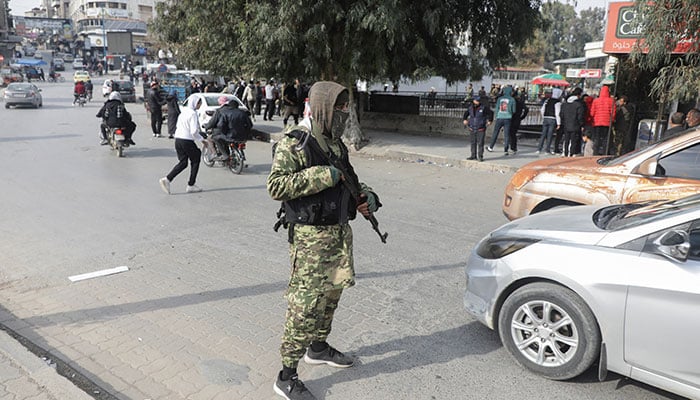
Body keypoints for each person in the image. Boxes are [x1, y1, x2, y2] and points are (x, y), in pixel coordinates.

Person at [267, 81, 381, 400]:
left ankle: (317, 347)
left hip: (338, 235)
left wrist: (366, 196)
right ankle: (286, 375)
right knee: (305, 306)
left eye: (346, 107)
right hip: (310, 241)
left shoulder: (334, 144)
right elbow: (275, 186)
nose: (344, 113)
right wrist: (321, 176)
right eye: (339, 108)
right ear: (322, 108)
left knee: (331, 296)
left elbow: (349, 178)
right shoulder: (296, 142)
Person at [159, 99, 205, 195]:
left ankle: (167, 179)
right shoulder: (193, 114)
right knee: (196, 159)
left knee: (183, 162)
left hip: (178, 139)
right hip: (187, 140)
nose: (200, 105)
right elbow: (193, 131)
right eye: (199, 103)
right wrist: (202, 140)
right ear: (196, 103)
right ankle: (191, 185)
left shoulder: (183, 113)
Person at [205, 96, 252, 160]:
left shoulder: (222, 112)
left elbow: (221, 125)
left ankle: (224, 155)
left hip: (229, 135)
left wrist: (209, 128)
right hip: (243, 136)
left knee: (215, 138)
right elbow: (250, 125)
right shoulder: (243, 113)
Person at [463, 95, 493, 162]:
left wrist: (490, 120)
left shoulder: (483, 108)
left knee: (480, 143)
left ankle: (480, 156)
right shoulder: (470, 108)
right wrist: (465, 119)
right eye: (476, 100)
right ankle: (473, 155)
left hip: (481, 128)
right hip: (472, 127)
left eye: (478, 101)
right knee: (473, 142)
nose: (477, 102)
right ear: (474, 101)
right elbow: (466, 114)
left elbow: (491, 113)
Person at [487, 85, 515, 155]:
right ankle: (506, 150)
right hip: (508, 118)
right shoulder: (512, 99)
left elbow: (496, 108)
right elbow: (514, 110)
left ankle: (491, 147)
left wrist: (496, 116)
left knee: (495, 132)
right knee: (506, 134)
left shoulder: (500, 99)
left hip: (499, 117)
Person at [590, 85, 616, 155]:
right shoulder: (611, 101)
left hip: (597, 123)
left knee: (597, 138)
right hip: (607, 123)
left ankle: (595, 153)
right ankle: (605, 153)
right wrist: (612, 120)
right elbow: (613, 113)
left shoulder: (596, 101)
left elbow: (592, 113)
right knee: (606, 139)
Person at [559, 87, 585, 157]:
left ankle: (565, 152)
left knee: (566, 139)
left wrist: (563, 121)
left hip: (566, 124)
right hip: (575, 125)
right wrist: (581, 124)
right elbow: (580, 116)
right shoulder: (579, 105)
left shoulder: (564, 104)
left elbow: (561, 114)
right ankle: (572, 153)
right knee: (573, 139)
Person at [537, 88, 562, 155]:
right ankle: (547, 150)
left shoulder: (547, 100)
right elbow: (557, 113)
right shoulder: (557, 102)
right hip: (552, 119)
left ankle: (539, 148)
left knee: (543, 134)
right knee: (549, 135)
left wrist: (544, 117)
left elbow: (542, 110)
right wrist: (559, 123)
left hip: (546, 118)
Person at [508, 90, 529, 155]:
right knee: (513, 134)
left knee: (510, 134)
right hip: (517, 119)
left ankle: (511, 147)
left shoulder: (511, 101)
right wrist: (522, 117)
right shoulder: (520, 101)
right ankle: (513, 147)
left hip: (511, 118)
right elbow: (526, 109)